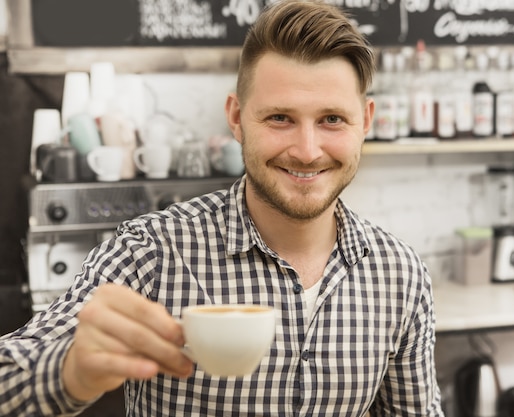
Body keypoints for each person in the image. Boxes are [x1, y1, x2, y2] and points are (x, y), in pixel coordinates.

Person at [0, 1, 443, 415]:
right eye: (279, 118)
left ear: (365, 122)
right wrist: (70, 372)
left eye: (332, 119)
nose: (308, 151)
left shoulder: (399, 273)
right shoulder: (149, 251)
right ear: (235, 118)